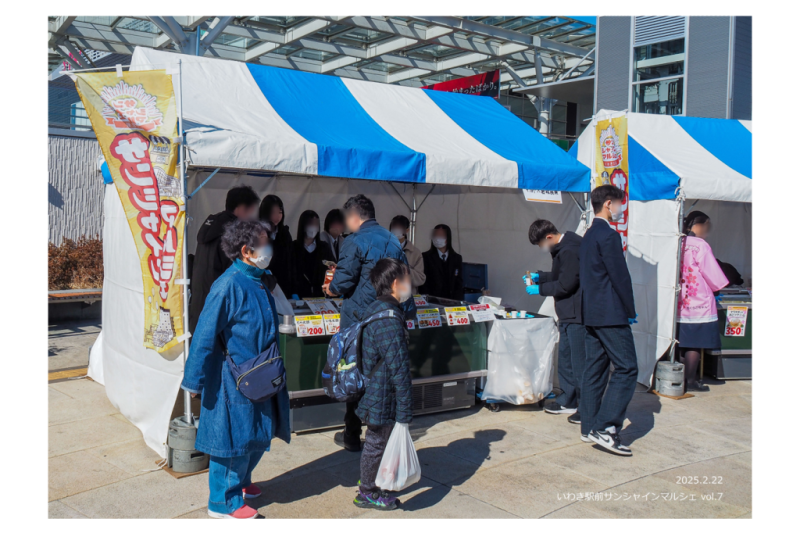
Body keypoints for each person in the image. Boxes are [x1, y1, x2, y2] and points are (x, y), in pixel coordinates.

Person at [181, 219, 291, 519]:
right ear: (245, 250)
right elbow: (203, 335)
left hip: (261, 373)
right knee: (231, 439)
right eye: (264, 242)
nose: (269, 247)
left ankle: (241, 482)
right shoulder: (227, 285)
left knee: (256, 433)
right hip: (232, 378)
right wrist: (193, 381)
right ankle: (222, 502)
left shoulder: (259, 279)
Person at [323, 194, 413, 452]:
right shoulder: (392, 240)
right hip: (388, 318)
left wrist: (330, 288)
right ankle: (380, 433)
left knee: (354, 373)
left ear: (354, 216)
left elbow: (342, 282)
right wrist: (406, 314)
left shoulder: (354, 241)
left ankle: (352, 434)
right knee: (382, 376)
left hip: (359, 322)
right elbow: (404, 281)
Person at [579, 185, 638, 456]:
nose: (621, 209)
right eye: (619, 203)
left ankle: (589, 426)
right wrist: (630, 309)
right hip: (610, 313)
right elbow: (620, 276)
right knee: (627, 367)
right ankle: (605, 428)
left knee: (595, 368)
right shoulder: (609, 236)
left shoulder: (589, 235)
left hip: (591, 312)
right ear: (608, 204)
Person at [353, 258, 414, 511]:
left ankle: (371, 482)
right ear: (396, 283)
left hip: (378, 389)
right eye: (408, 279)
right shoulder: (388, 318)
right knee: (376, 442)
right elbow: (399, 368)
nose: (411, 284)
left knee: (378, 441)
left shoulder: (378, 308)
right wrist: (405, 411)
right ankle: (367, 492)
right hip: (382, 392)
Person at [526, 219, 586, 423]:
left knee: (579, 363)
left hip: (577, 313)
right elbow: (561, 274)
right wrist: (541, 277)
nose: (542, 248)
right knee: (566, 359)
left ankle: (585, 407)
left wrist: (540, 289)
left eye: (541, 244)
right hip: (567, 312)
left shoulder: (570, 249)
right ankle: (568, 399)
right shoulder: (562, 247)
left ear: (549, 237)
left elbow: (566, 284)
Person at [190, 185, 260, 333]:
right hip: (220, 306)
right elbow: (241, 271)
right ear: (242, 209)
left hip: (200, 302)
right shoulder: (235, 233)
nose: (253, 217)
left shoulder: (212, 226)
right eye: (252, 211)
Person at [677, 211, 729, 391]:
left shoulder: (678, 241)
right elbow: (713, 275)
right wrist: (718, 288)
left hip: (679, 302)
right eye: (707, 226)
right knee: (695, 344)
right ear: (699, 225)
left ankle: (681, 381)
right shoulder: (700, 245)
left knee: (682, 343)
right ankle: (691, 381)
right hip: (699, 303)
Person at [289, 210, 335, 298]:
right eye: (310, 224)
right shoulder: (293, 247)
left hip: (321, 296)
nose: (313, 227)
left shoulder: (324, 247)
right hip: (299, 296)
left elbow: (331, 269)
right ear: (303, 225)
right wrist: (293, 291)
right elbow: (290, 273)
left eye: (316, 224)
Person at [258, 194, 293, 294]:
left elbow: (291, 262)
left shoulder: (285, 234)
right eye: (273, 212)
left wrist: (293, 289)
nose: (277, 216)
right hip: (265, 285)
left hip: (284, 286)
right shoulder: (258, 233)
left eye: (280, 212)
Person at [420, 224, 464, 301]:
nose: (437, 238)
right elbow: (423, 282)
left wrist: (458, 300)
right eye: (436, 235)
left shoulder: (456, 258)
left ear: (448, 238)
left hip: (452, 301)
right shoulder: (425, 257)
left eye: (441, 235)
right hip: (432, 300)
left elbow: (458, 282)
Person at [389, 215, 426, 293]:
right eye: (394, 227)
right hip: (387, 295)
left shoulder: (415, 253)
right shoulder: (382, 249)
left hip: (407, 295)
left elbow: (420, 279)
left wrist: (404, 268)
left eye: (399, 228)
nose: (396, 230)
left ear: (407, 230)